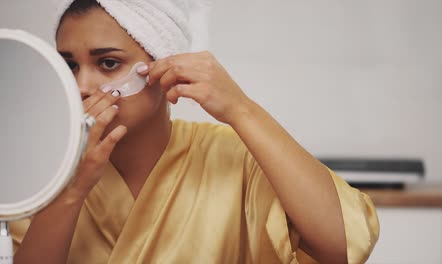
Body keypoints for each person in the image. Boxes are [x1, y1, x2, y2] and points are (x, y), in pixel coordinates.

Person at [10, 0, 379, 263]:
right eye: (69, 65)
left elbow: (344, 247)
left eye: (108, 63)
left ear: (162, 68)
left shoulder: (233, 158)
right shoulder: (45, 173)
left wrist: (241, 109)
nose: (82, 85)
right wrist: (72, 188)